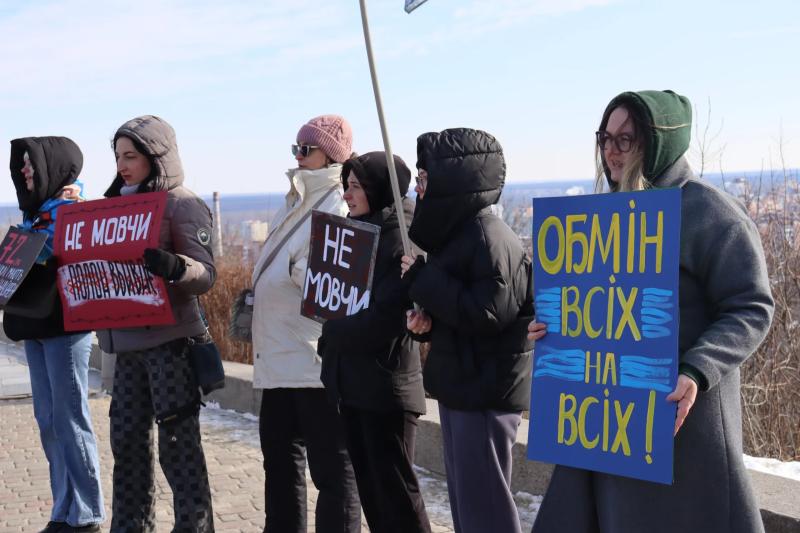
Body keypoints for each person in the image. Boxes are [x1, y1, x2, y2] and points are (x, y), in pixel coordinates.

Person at [531, 90, 775, 533]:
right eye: (605, 138)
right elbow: (600, 308)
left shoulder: (709, 211)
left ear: (658, 142)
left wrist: (699, 368)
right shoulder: (601, 218)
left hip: (682, 422)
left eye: (626, 139)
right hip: (613, 427)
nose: (611, 151)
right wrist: (557, 326)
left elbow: (751, 306)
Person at [400, 128, 536, 533]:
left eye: (425, 179)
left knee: (486, 509)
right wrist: (427, 325)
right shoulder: (461, 236)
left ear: (454, 181)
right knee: (469, 507)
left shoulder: (489, 237)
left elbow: (488, 314)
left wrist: (423, 282)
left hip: (485, 392)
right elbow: (461, 312)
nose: (420, 188)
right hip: (465, 385)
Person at [97, 115, 216, 532]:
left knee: (178, 449)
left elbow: (206, 274)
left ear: (156, 157)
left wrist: (174, 267)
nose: (122, 165)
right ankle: (130, 526)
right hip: (126, 348)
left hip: (171, 344)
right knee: (126, 444)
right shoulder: (111, 207)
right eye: (117, 156)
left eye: (131, 155)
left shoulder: (182, 203)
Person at [251, 115, 361, 533]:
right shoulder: (296, 198)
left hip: (314, 364)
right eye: (295, 148)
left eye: (307, 149)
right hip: (277, 360)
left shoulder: (336, 201)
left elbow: (333, 283)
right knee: (280, 468)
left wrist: (297, 269)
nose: (298, 156)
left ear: (331, 156)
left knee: (332, 473)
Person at [318, 152, 431, 533]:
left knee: (398, 498)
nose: (347, 195)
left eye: (356, 187)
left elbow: (385, 316)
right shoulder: (353, 232)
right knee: (374, 499)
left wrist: (332, 333)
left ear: (379, 189)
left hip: (386, 391)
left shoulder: (400, 237)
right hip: (353, 387)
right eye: (345, 186)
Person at [4, 137, 104, 533]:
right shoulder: (34, 215)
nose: (25, 172)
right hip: (34, 323)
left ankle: (87, 513)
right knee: (47, 419)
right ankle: (62, 510)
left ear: (54, 167)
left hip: (66, 328)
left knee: (70, 418)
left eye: (32, 164)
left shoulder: (75, 213)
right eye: (22, 165)